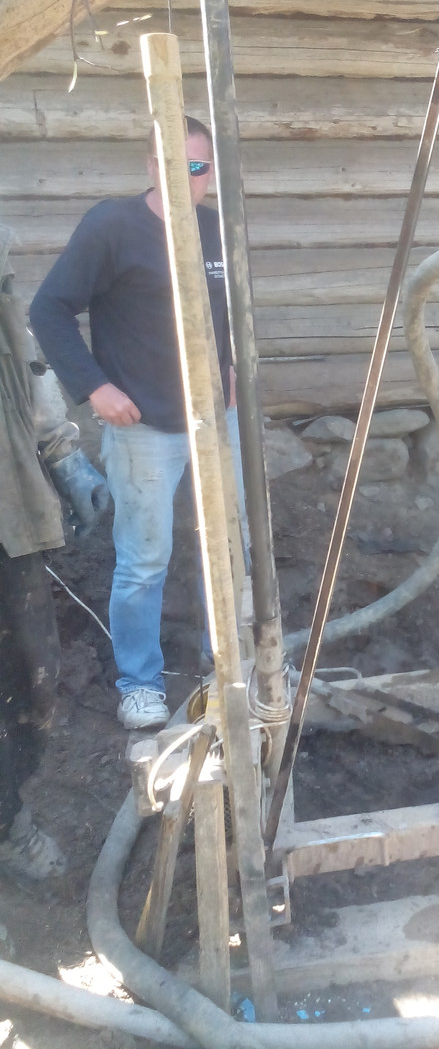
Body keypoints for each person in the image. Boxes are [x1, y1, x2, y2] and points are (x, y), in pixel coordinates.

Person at [29, 117, 244, 731]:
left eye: (200, 169)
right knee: (145, 559)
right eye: (178, 168)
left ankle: (231, 663)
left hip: (216, 420)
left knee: (231, 548)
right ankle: (140, 683)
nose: (190, 181)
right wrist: (95, 387)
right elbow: (49, 309)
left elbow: (221, 314)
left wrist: (226, 367)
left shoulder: (213, 230)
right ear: (153, 167)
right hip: (145, 426)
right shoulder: (113, 226)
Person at [0, 225, 108, 879]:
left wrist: (64, 455)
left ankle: (8, 820)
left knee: (29, 679)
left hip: (8, 507)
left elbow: (22, 354)